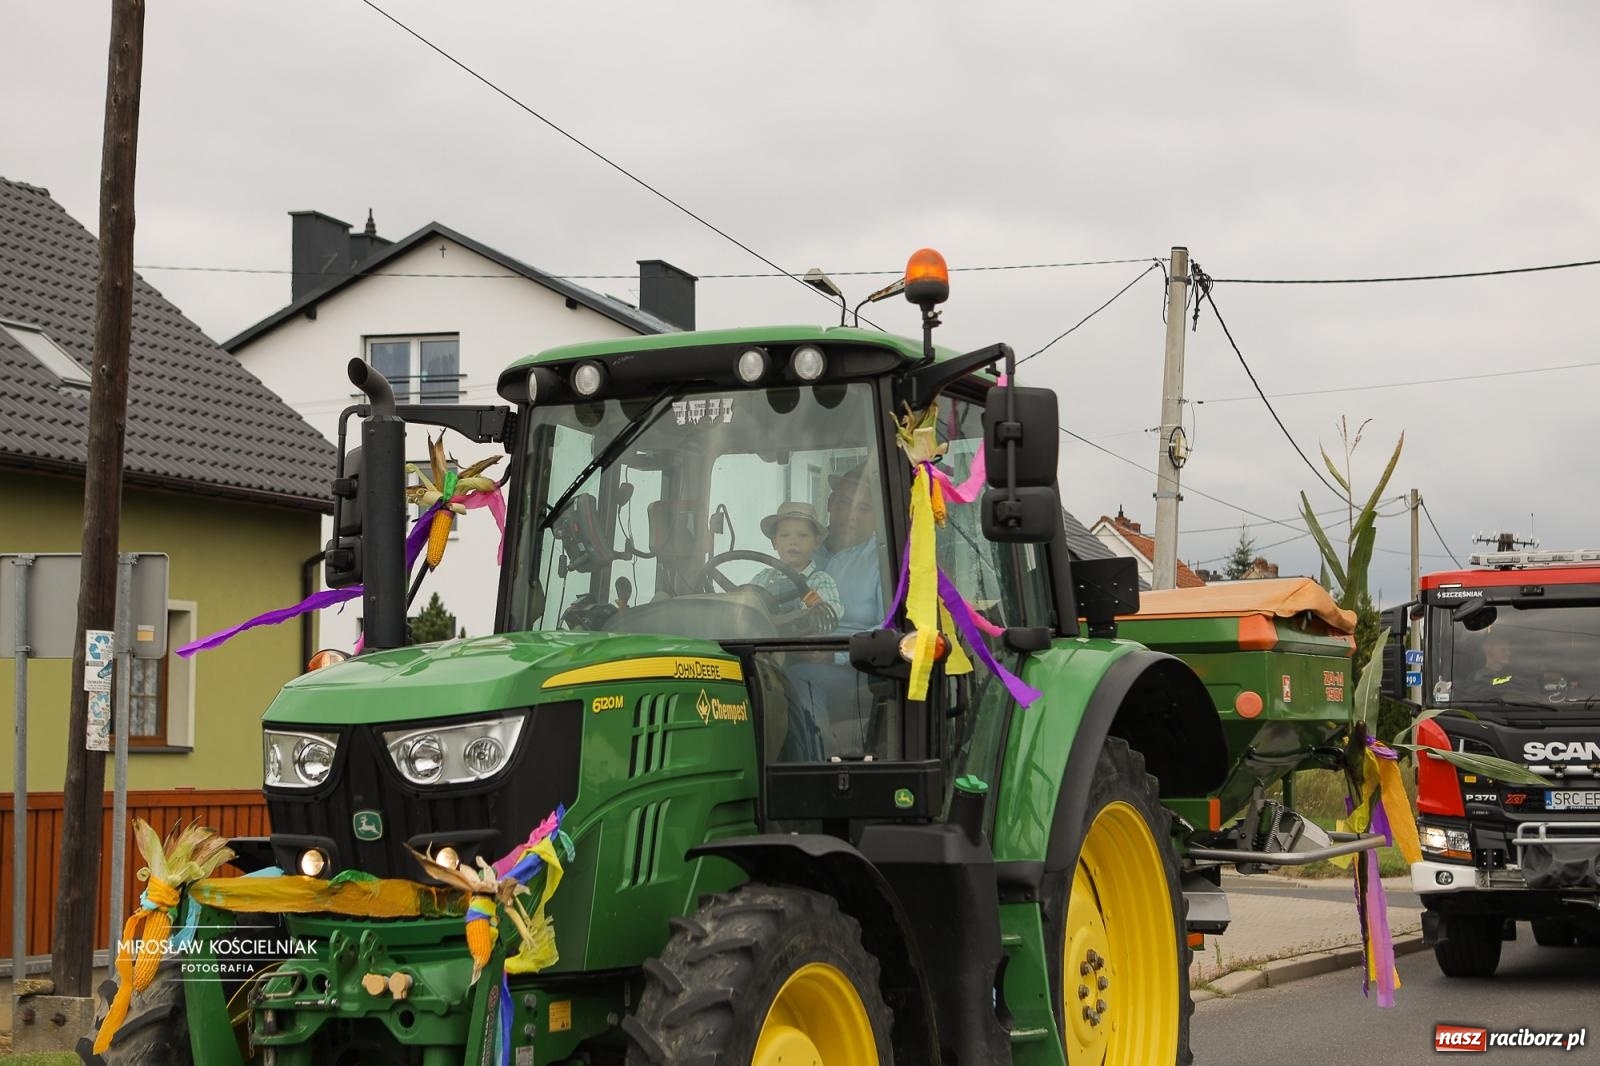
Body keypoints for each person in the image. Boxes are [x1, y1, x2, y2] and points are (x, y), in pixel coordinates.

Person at [814, 464, 885, 635]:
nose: (851, 515)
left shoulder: (883, 562)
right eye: (845, 503)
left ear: (879, 516)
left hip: (857, 659)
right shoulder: (802, 550)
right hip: (790, 651)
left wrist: (836, 654)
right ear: (830, 503)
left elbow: (891, 626)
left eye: (864, 508)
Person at [752, 501, 841, 633]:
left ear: (816, 542)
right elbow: (745, 607)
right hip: (764, 645)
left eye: (803, 535)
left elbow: (830, 615)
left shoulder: (820, 580)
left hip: (802, 647)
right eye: (785, 535)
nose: (793, 542)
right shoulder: (763, 578)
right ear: (774, 542)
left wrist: (815, 605)